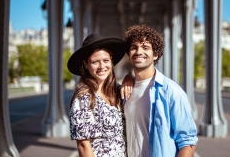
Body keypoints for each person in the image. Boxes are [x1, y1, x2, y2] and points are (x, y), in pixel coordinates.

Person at [123, 25, 198, 157]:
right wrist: (127, 78)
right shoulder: (124, 91)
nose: (139, 51)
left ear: (156, 54)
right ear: (129, 55)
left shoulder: (171, 91)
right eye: (134, 47)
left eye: (146, 47)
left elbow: (188, 142)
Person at [67, 33, 128, 157]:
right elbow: (83, 145)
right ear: (86, 64)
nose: (102, 66)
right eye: (95, 62)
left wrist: (129, 78)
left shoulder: (117, 90)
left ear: (111, 60)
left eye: (106, 60)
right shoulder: (83, 98)